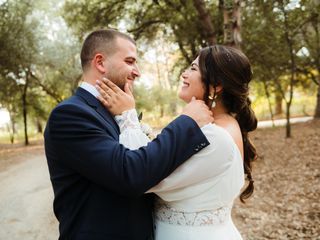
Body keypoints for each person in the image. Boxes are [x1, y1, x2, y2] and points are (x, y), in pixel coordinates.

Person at [44, 29, 214, 240]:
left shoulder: (117, 109)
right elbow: (131, 173)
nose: (137, 71)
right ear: (100, 62)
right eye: (130, 61)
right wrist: (187, 123)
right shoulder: (70, 114)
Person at [95, 45, 258, 239]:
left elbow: (144, 175)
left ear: (216, 85)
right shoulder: (218, 127)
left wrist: (127, 116)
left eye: (194, 69)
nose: (184, 74)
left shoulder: (215, 137)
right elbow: (159, 157)